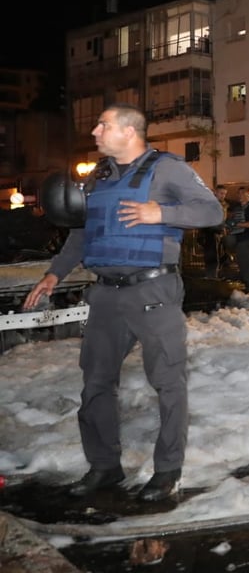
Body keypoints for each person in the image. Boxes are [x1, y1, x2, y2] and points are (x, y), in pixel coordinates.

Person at [20, 103, 224, 501]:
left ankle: (168, 471)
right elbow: (83, 232)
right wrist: (54, 273)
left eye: (103, 125)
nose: (95, 131)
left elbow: (212, 211)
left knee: (168, 384)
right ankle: (105, 466)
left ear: (129, 132)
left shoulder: (167, 168)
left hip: (153, 292)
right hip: (106, 295)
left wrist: (159, 212)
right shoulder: (100, 176)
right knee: (94, 384)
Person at [227, 187, 249, 292]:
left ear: (247, 195)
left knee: (245, 264)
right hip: (240, 238)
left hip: (248, 238)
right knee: (244, 263)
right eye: (238, 193)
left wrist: (236, 224)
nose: (240, 195)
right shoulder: (238, 207)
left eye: (242, 193)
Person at [200, 184, 228, 278]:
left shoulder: (222, 205)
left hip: (217, 232)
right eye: (221, 193)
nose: (223, 195)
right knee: (212, 258)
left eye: (224, 194)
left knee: (217, 257)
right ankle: (211, 277)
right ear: (215, 192)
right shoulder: (210, 204)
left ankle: (213, 276)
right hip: (210, 232)